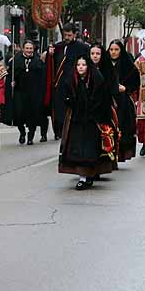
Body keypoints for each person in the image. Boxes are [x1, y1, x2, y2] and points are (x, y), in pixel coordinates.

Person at [59, 55, 118, 190]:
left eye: (83, 65)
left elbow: (103, 100)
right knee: (77, 149)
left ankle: (89, 175)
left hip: (92, 121)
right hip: (76, 120)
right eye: (78, 65)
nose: (81, 67)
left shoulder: (97, 80)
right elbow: (65, 97)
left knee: (90, 149)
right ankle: (83, 177)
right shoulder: (70, 80)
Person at [48, 23, 90, 139]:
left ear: (75, 34)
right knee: (59, 109)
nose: (67, 37)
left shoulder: (83, 48)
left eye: (69, 35)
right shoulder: (58, 47)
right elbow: (52, 65)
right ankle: (59, 130)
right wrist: (49, 54)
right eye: (65, 35)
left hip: (75, 83)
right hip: (60, 83)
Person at [103, 39, 140, 161]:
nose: (113, 52)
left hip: (123, 101)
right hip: (107, 100)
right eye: (111, 49)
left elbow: (136, 81)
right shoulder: (104, 64)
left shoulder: (127, 64)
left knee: (123, 127)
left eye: (116, 50)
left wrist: (126, 88)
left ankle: (120, 154)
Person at [8, 40, 49, 144]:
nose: (29, 50)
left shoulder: (38, 61)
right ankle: (22, 133)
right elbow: (11, 75)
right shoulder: (16, 60)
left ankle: (30, 137)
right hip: (20, 92)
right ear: (23, 49)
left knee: (32, 116)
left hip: (34, 93)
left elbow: (42, 78)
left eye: (31, 48)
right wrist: (12, 82)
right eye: (27, 48)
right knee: (19, 114)